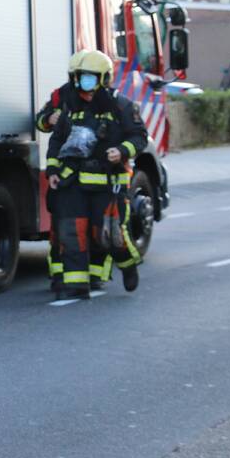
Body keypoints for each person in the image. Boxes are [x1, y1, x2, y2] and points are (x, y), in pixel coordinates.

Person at [45, 50, 146, 300]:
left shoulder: (121, 105)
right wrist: (53, 170)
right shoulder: (69, 106)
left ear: (103, 78)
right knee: (71, 231)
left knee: (109, 235)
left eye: (88, 77)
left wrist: (122, 150)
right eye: (79, 77)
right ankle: (76, 285)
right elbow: (57, 141)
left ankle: (128, 264)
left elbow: (139, 137)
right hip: (73, 182)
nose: (82, 83)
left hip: (108, 183)